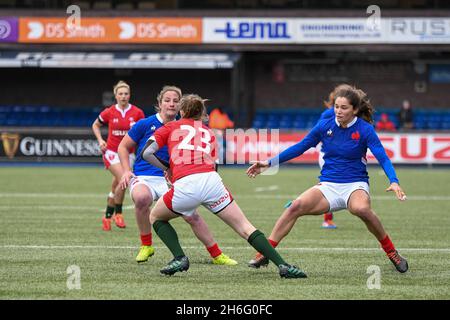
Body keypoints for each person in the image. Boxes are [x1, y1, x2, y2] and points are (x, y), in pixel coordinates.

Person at [247, 85, 409, 273]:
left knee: (361, 209)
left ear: (355, 110)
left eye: (344, 108)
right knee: (295, 207)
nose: (338, 111)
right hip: (328, 185)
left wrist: (394, 180)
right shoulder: (325, 124)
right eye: (336, 107)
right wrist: (268, 163)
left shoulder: (365, 129)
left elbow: (382, 156)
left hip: (355, 184)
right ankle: (266, 252)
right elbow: (301, 146)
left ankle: (391, 252)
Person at [141, 94, 307, 278]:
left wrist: (168, 167)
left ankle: (179, 257)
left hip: (186, 183)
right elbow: (214, 165)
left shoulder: (171, 126)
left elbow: (146, 153)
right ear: (202, 113)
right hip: (212, 181)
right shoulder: (209, 132)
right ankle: (283, 266)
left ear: (181, 111)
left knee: (155, 216)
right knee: (245, 227)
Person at [118, 86, 237, 266]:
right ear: (159, 103)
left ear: (181, 106)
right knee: (142, 198)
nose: (171, 104)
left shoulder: (186, 127)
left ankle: (217, 254)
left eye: (175, 101)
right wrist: (126, 170)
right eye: (167, 100)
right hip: (145, 177)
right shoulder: (144, 124)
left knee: (191, 216)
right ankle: (146, 245)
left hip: (177, 179)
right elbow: (123, 147)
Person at [92, 80, 145, 231]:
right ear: (115, 95)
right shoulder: (109, 112)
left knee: (116, 186)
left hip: (129, 155)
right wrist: (100, 140)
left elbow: (142, 132)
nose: (123, 96)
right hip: (112, 153)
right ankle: (118, 214)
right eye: (120, 94)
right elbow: (95, 124)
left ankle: (107, 217)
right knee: (124, 179)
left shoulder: (137, 112)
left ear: (130, 95)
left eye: (126, 94)